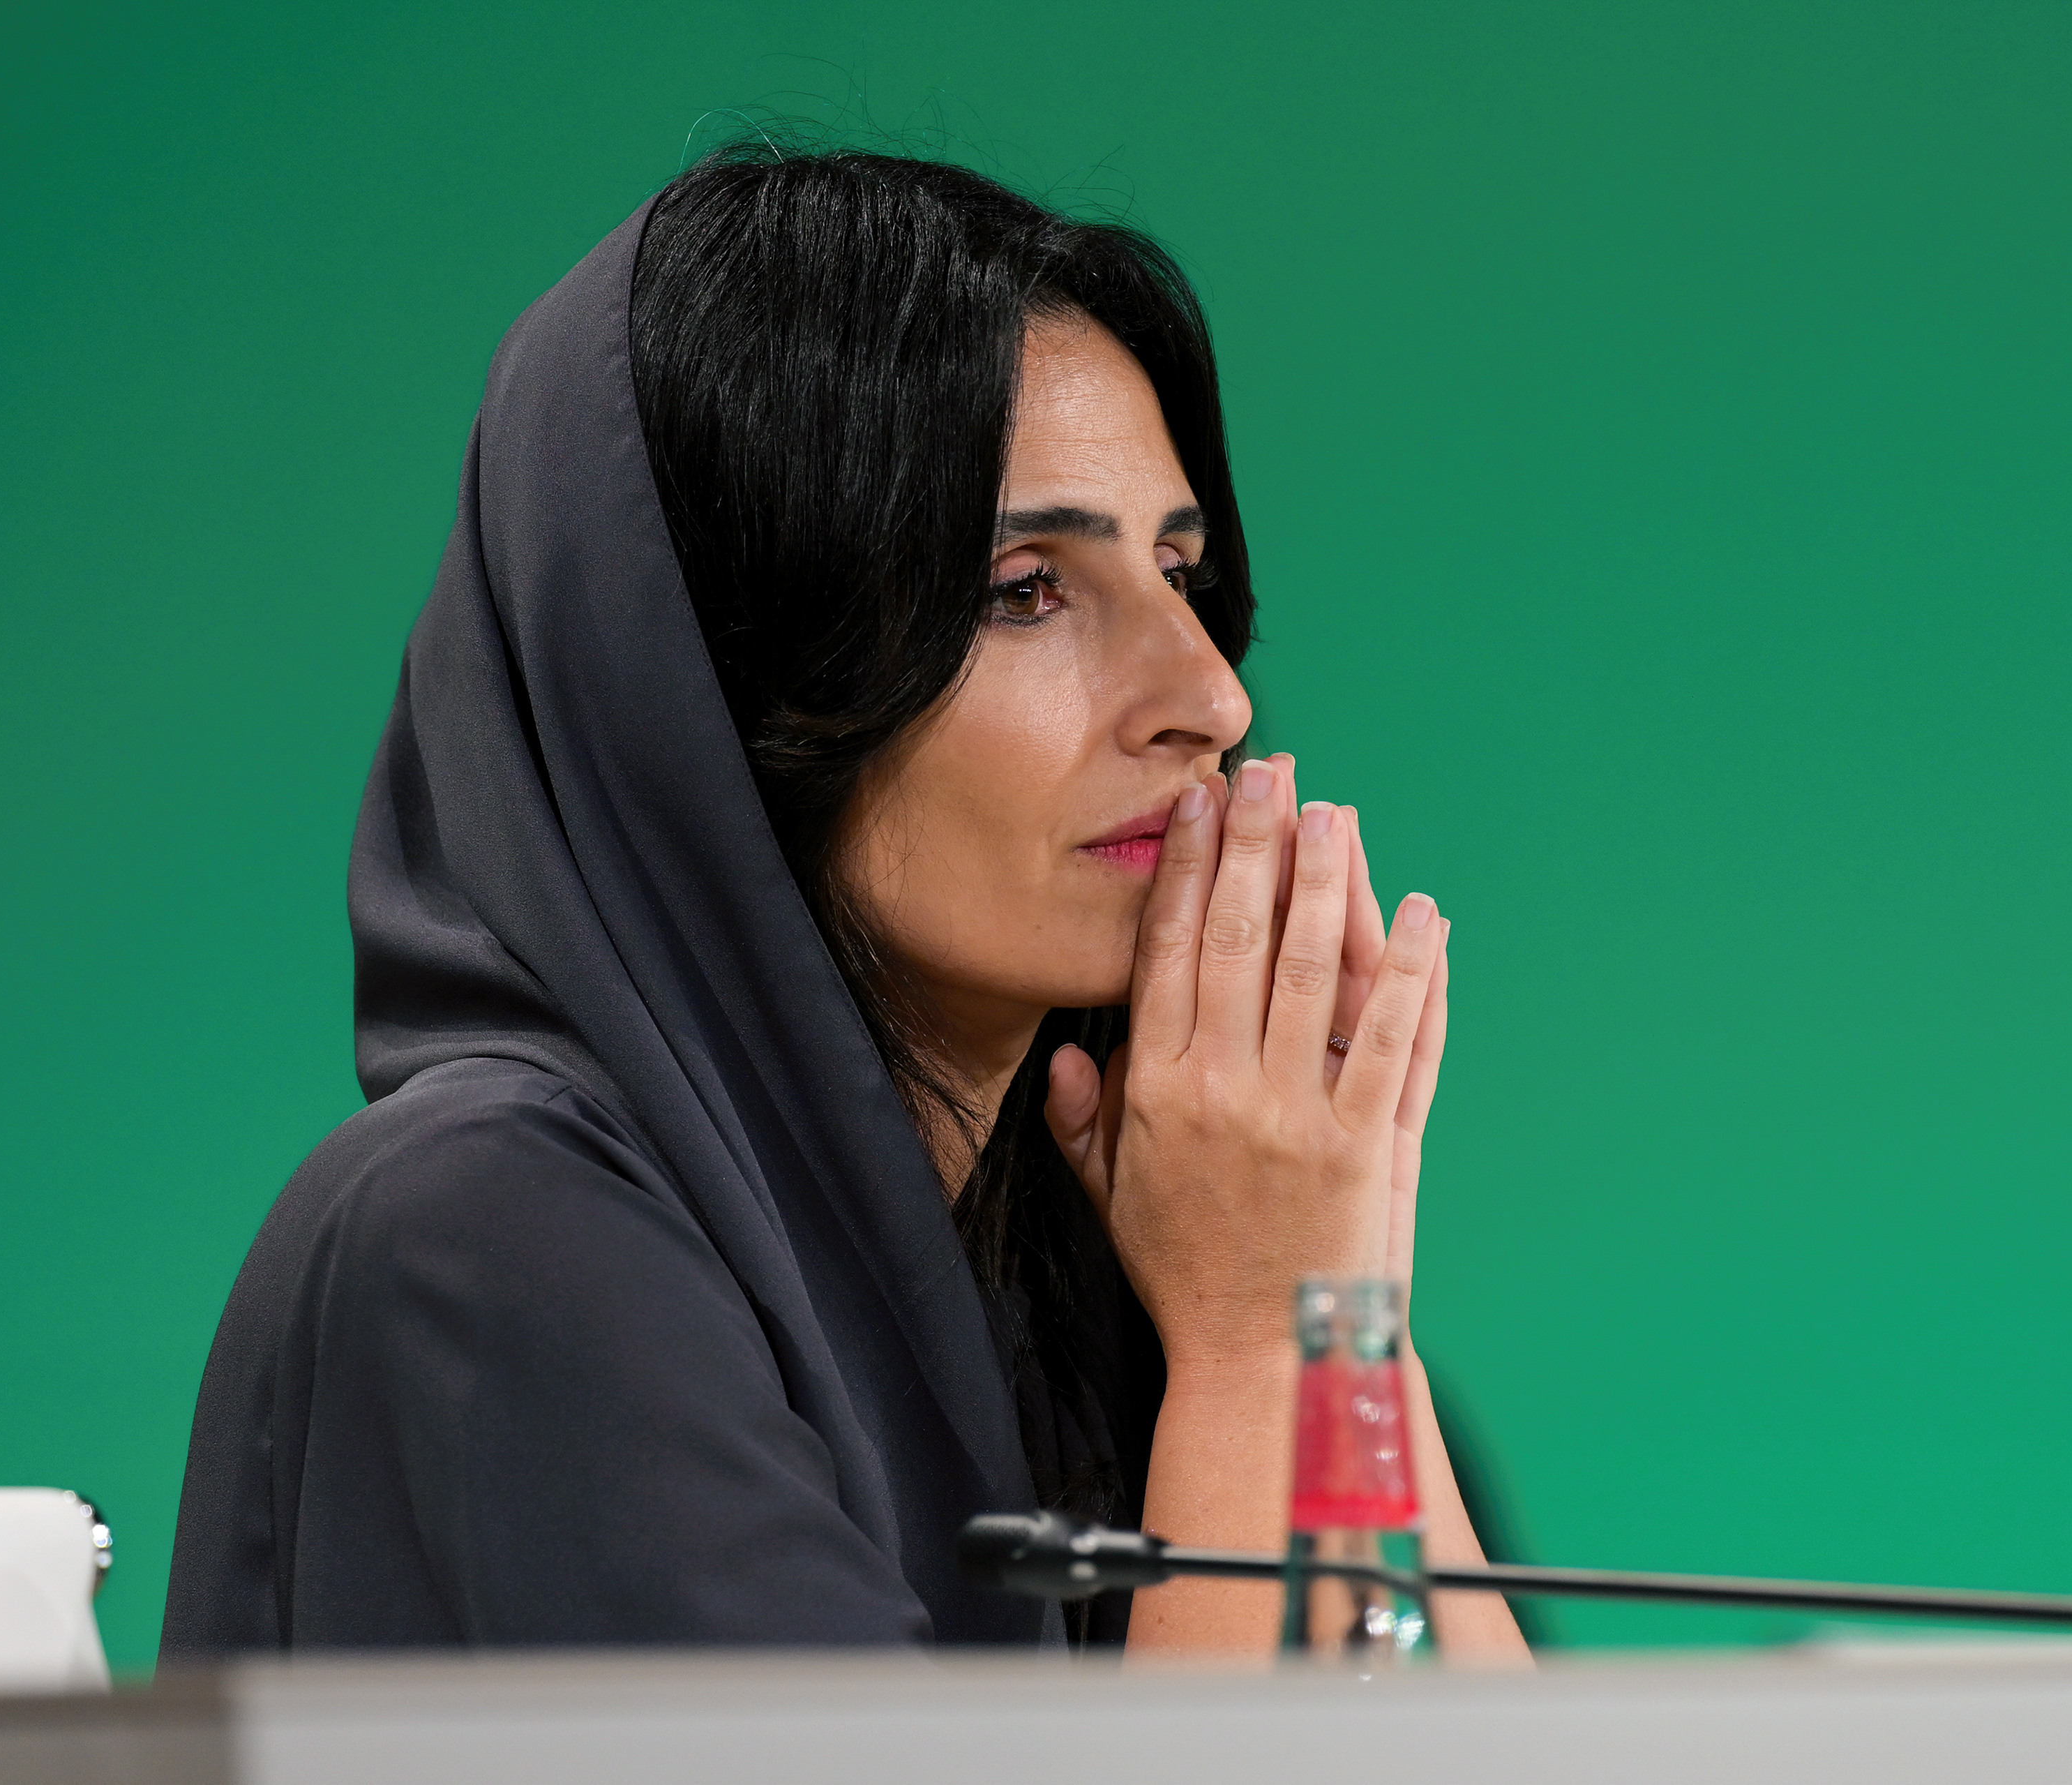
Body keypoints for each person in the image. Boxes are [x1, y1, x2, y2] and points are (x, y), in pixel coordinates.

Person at [163, 147, 1525, 1660]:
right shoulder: (492, 1236)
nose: (1210, 697)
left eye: (1183, 573)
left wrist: (1340, 1317)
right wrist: (1266, 1343)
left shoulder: (1118, 1266)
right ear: (711, 688)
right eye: (1026, 588)